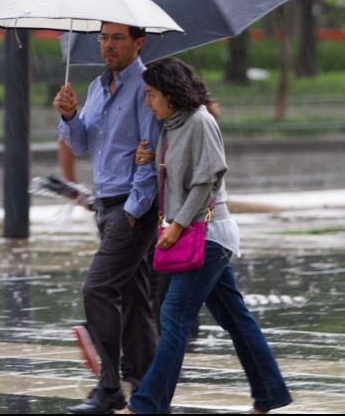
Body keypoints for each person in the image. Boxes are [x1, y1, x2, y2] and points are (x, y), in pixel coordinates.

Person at [117, 58, 292, 414]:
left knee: (174, 314)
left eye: (151, 95)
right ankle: (270, 392)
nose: (148, 102)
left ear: (170, 93)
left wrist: (177, 225)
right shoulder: (169, 128)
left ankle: (147, 405)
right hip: (192, 233)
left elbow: (206, 180)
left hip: (208, 234)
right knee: (235, 318)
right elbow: (174, 179)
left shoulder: (200, 121)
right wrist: (146, 160)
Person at [54, 22, 161, 414]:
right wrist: (69, 115)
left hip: (131, 208)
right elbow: (82, 144)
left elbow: (149, 156)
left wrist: (133, 213)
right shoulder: (99, 87)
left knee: (96, 289)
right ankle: (149, 388)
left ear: (138, 42)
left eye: (117, 38)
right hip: (106, 205)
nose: (108, 46)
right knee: (134, 299)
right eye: (103, 38)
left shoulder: (146, 87)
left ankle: (110, 387)